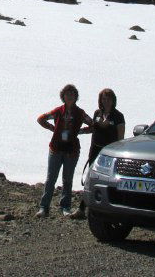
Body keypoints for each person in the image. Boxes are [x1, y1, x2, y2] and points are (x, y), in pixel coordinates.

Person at [36, 84, 93, 217]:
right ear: (63, 96)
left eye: (72, 94)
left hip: (71, 150)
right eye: (67, 94)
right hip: (56, 148)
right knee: (51, 179)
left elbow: (93, 125)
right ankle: (44, 207)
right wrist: (53, 129)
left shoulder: (80, 113)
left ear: (76, 97)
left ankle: (65, 207)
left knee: (67, 180)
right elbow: (40, 119)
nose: (70, 97)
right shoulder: (58, 111)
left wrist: (80, 131)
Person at [72, 88, 125, 218]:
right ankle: (82, 208)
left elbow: (120, 138)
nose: (106, 101)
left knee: (107, 179)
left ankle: (108, 208)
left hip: (109, 153)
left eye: (108, 99)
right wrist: (77, 131)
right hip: (95, 149)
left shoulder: (118, 116)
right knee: (90, 177)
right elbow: (93, 129)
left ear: (113, 100)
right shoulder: (97, 113)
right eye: (104, 99)